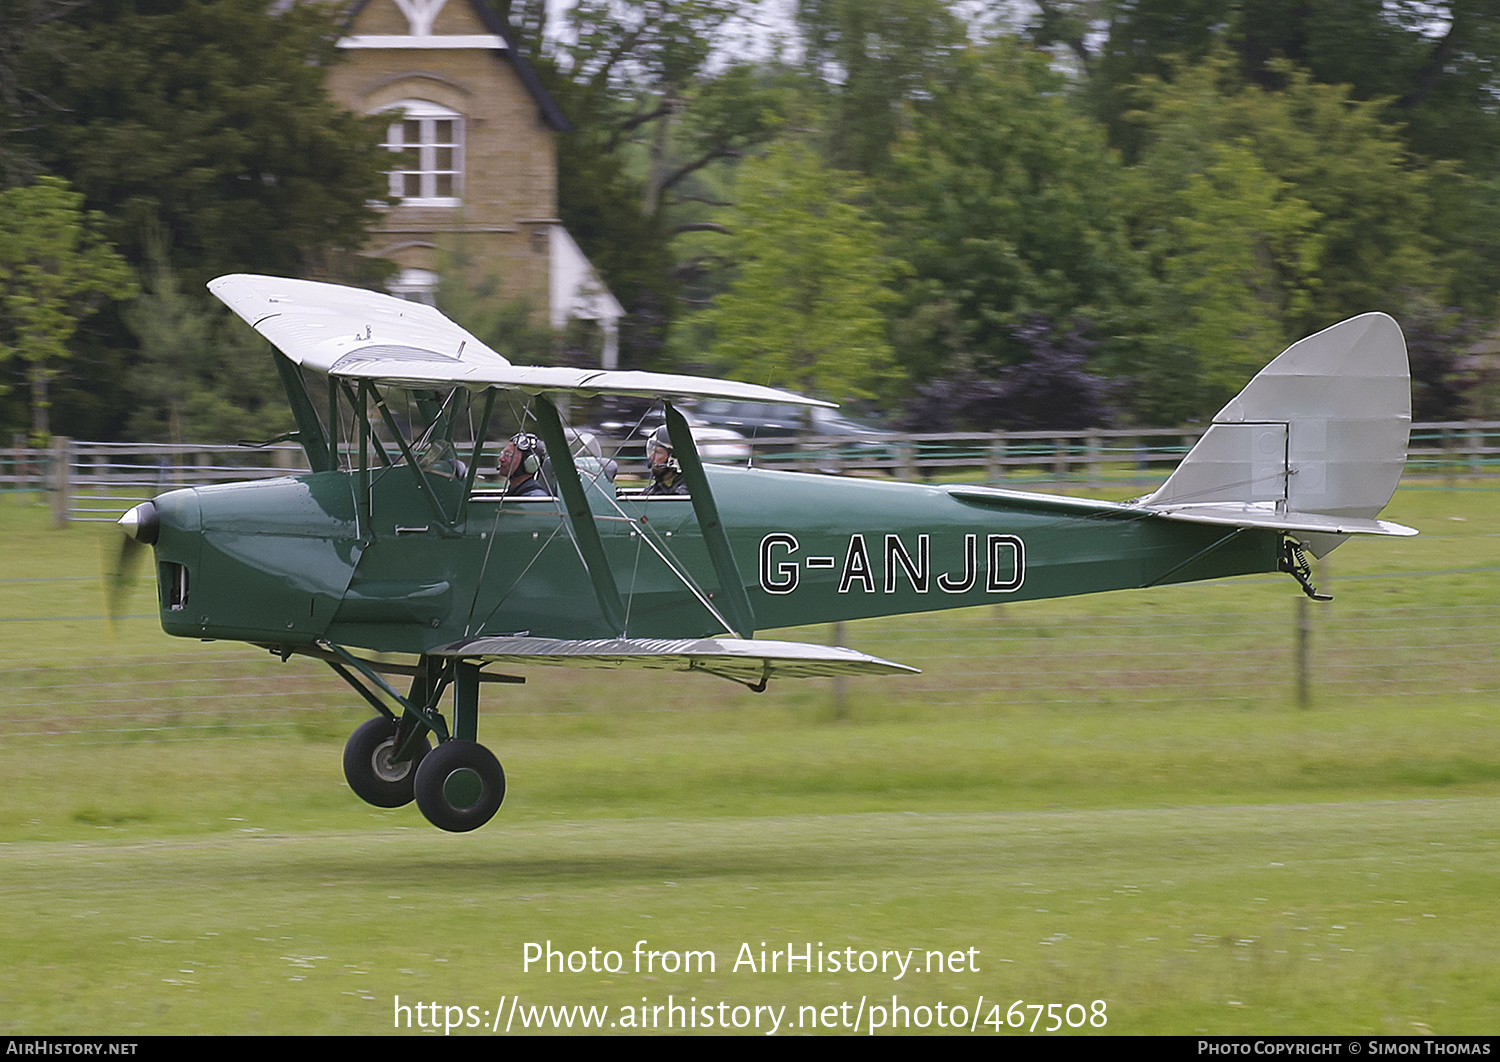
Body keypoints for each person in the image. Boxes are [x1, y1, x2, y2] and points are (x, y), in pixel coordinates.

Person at [496, 432, 550, 497]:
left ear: (529, 462)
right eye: (503, 453)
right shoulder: (515, 493)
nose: (501, 459)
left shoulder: (535, 498)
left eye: (508, 455)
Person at [642, 425, 688, 495]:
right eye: (652, 451)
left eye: (658, 452)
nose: (651, 457)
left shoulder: (684, 492)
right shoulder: (654, 489)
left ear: (673, 458)